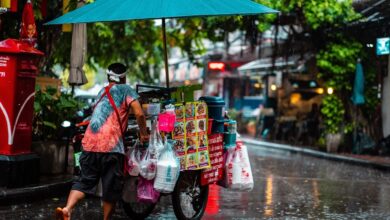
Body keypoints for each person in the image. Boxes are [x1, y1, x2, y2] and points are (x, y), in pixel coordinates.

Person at [55, 63, 148, 220]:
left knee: (84, 182)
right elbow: (139, 114)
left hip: (89, 144)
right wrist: (144, 134)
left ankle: (67, 209)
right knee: (110, 188)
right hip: (111, 147)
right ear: (123, 77)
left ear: (108, 77)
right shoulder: (126, 89)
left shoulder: (101, 92)